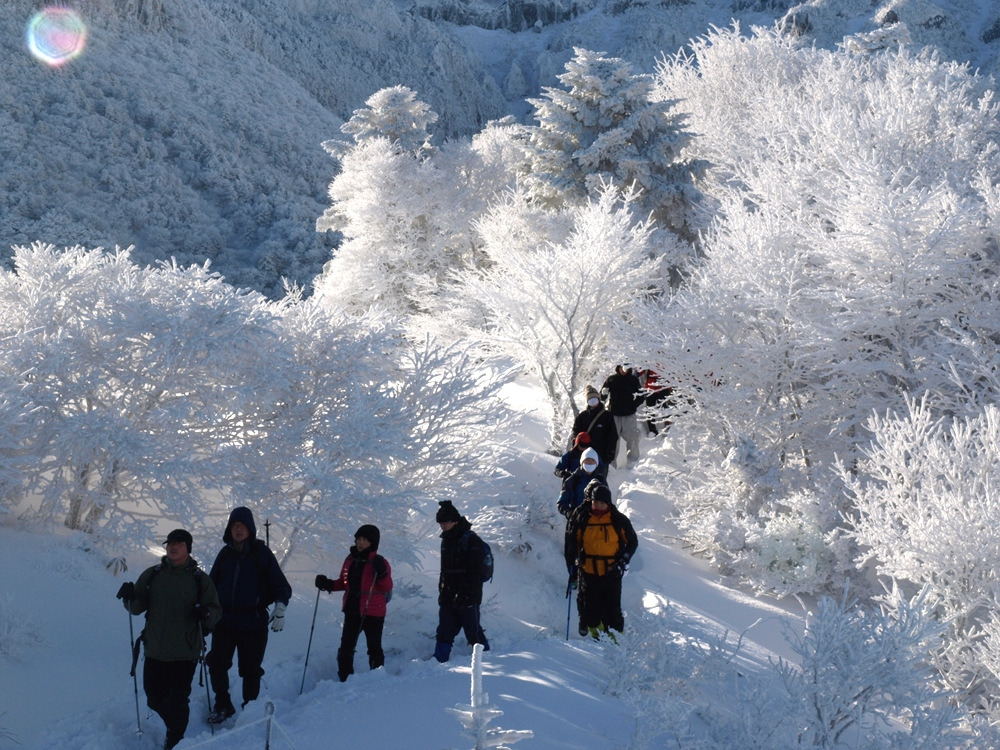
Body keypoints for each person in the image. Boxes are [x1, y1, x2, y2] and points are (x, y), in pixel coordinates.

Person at [116, 529, 221, 750]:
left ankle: (174, 741)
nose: (174, 547)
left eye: (179, 544)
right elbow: (137, 608)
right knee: (153, 698)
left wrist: (206, 614)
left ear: (188, 549)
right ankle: (175, 729)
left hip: (186, 651)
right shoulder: (152, 575)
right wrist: (129, 597)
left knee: (178, 700)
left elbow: (215, 611)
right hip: (155, 649)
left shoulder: (199, 579)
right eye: (171, 543)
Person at [205, 507, 292, 724]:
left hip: (253, 622)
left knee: (251, 669)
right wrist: (204, 608)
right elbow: (210, 585)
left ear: (250, 529)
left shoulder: (261, 554)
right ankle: (222, 704)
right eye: (234, 526)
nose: (238, 529)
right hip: (224, 621)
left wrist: (280, 607)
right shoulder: (225, 554)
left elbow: (280, 584)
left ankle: (249, 709)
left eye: (242, 526)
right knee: (217, 663)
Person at [315, 524, 393, 682]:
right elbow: (344, 583)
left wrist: (382, 573)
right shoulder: (350, 560)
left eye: (365, 539)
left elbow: (387, 587)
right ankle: (345, 679)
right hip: (352, 609)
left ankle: (378, 679)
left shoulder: (380, 562)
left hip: (374, 611)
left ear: (373, 542)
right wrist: (328, 584)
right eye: (359, 539)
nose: (361, 542)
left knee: (374, 648)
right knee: (346, 648)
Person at [564, 481, 638, 638]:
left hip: (612, 572)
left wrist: (623, 561)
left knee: (613, 612)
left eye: (601, 503)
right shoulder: (583, 518)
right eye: (595, 502)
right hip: (588, 572)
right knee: (589, 612)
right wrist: (573, 561)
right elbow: (573, 542)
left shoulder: (618, 520)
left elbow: (632, 542)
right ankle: (598, 640)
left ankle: (617, 643)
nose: (597, 505)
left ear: (608, 503)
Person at [433, 500, 490, 662]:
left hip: (468, 595)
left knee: (473, 631)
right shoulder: (446, 540)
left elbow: (475, 571)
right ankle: (438, 661)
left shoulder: (471, 540)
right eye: (440, 523)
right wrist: (442, 590)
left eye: (445, 522)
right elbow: (444, 570)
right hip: (449, 594)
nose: (442, 526)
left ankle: (485, 658)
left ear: (455, 521)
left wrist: (466, 593)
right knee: (444, 630)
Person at [601, 365, 645, 469]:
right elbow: (602, 396)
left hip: (629, 416)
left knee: (632, 438)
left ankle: (633, 461)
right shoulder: (611, 379)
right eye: (622, 367)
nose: (624, 370)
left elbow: (641, 396)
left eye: (626, 368)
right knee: (612, 440)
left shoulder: (633, 380)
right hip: (614, 415)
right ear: (618, 368)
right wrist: (604, 394)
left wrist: (633, 405)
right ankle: (611, 464)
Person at [570, 385, 618, 468]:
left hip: (602, 456)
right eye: (590, 400)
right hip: (585, 456)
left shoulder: (607, 416)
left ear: (599, 399)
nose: (593, 403)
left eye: (595, 400)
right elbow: (575, 434)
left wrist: (610, 453)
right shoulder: (582, 417)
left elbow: (612, 436)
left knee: (600, 475)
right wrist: (577, 450)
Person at [557, 447, 607, 518]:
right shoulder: (573, 480)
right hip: (577, 519)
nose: (590, 463)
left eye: (592, 461)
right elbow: (562, 502)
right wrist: (570, 513)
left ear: (596, 463)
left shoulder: (601, 480)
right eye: (587, 460)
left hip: (597, 521)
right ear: (582, 462)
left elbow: (607, 502)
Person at [638, 368, 674, 436]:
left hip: (663, 385)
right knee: (650, 408)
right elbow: (642, 367)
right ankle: (652, 430)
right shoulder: (650, 361)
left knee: (664, 405)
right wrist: (638, 372)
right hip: (651, 386)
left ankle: (668, 425)